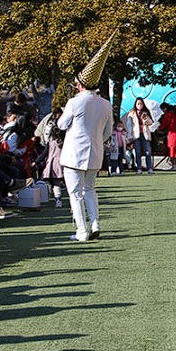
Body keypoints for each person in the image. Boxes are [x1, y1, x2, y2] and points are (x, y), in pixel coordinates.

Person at [57, 33, 115, 242]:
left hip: (74, 153)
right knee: (90, 189)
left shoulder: (74, 102)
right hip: (95, 152)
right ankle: (95, 223)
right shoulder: (105, 104)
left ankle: (82, 230)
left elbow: (61, 124)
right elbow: (107, 132)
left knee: (75, 193)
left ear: (80, 84)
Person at [123, 98, 155, 174]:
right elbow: (129, 125)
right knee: (137, 152)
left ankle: (149, 168)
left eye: (141, 104)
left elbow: (150, 122)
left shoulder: (146, 112)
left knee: (148, 152)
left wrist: (145, 119)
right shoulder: (132, 113)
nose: (140, 105)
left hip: (145, 134)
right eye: (138, 104)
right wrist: (130, 136)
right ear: (135, 105)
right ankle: (139, 168)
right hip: (136, 135)